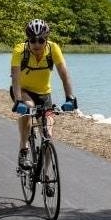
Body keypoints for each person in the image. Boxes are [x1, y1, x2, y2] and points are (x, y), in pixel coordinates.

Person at [11, 19, 76, 171]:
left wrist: (70, 98)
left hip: (44, 95)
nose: (37, 44)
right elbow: (15, 77)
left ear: (46, 39)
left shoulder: (53, 49)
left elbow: (64, 74)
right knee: (28, 107)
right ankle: (24, 149)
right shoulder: (20, 50)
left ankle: (46, 175)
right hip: (23, 91)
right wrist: (18, 100)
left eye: (41, 40)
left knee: (48, 134)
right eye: (33, 40)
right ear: (28, 39)